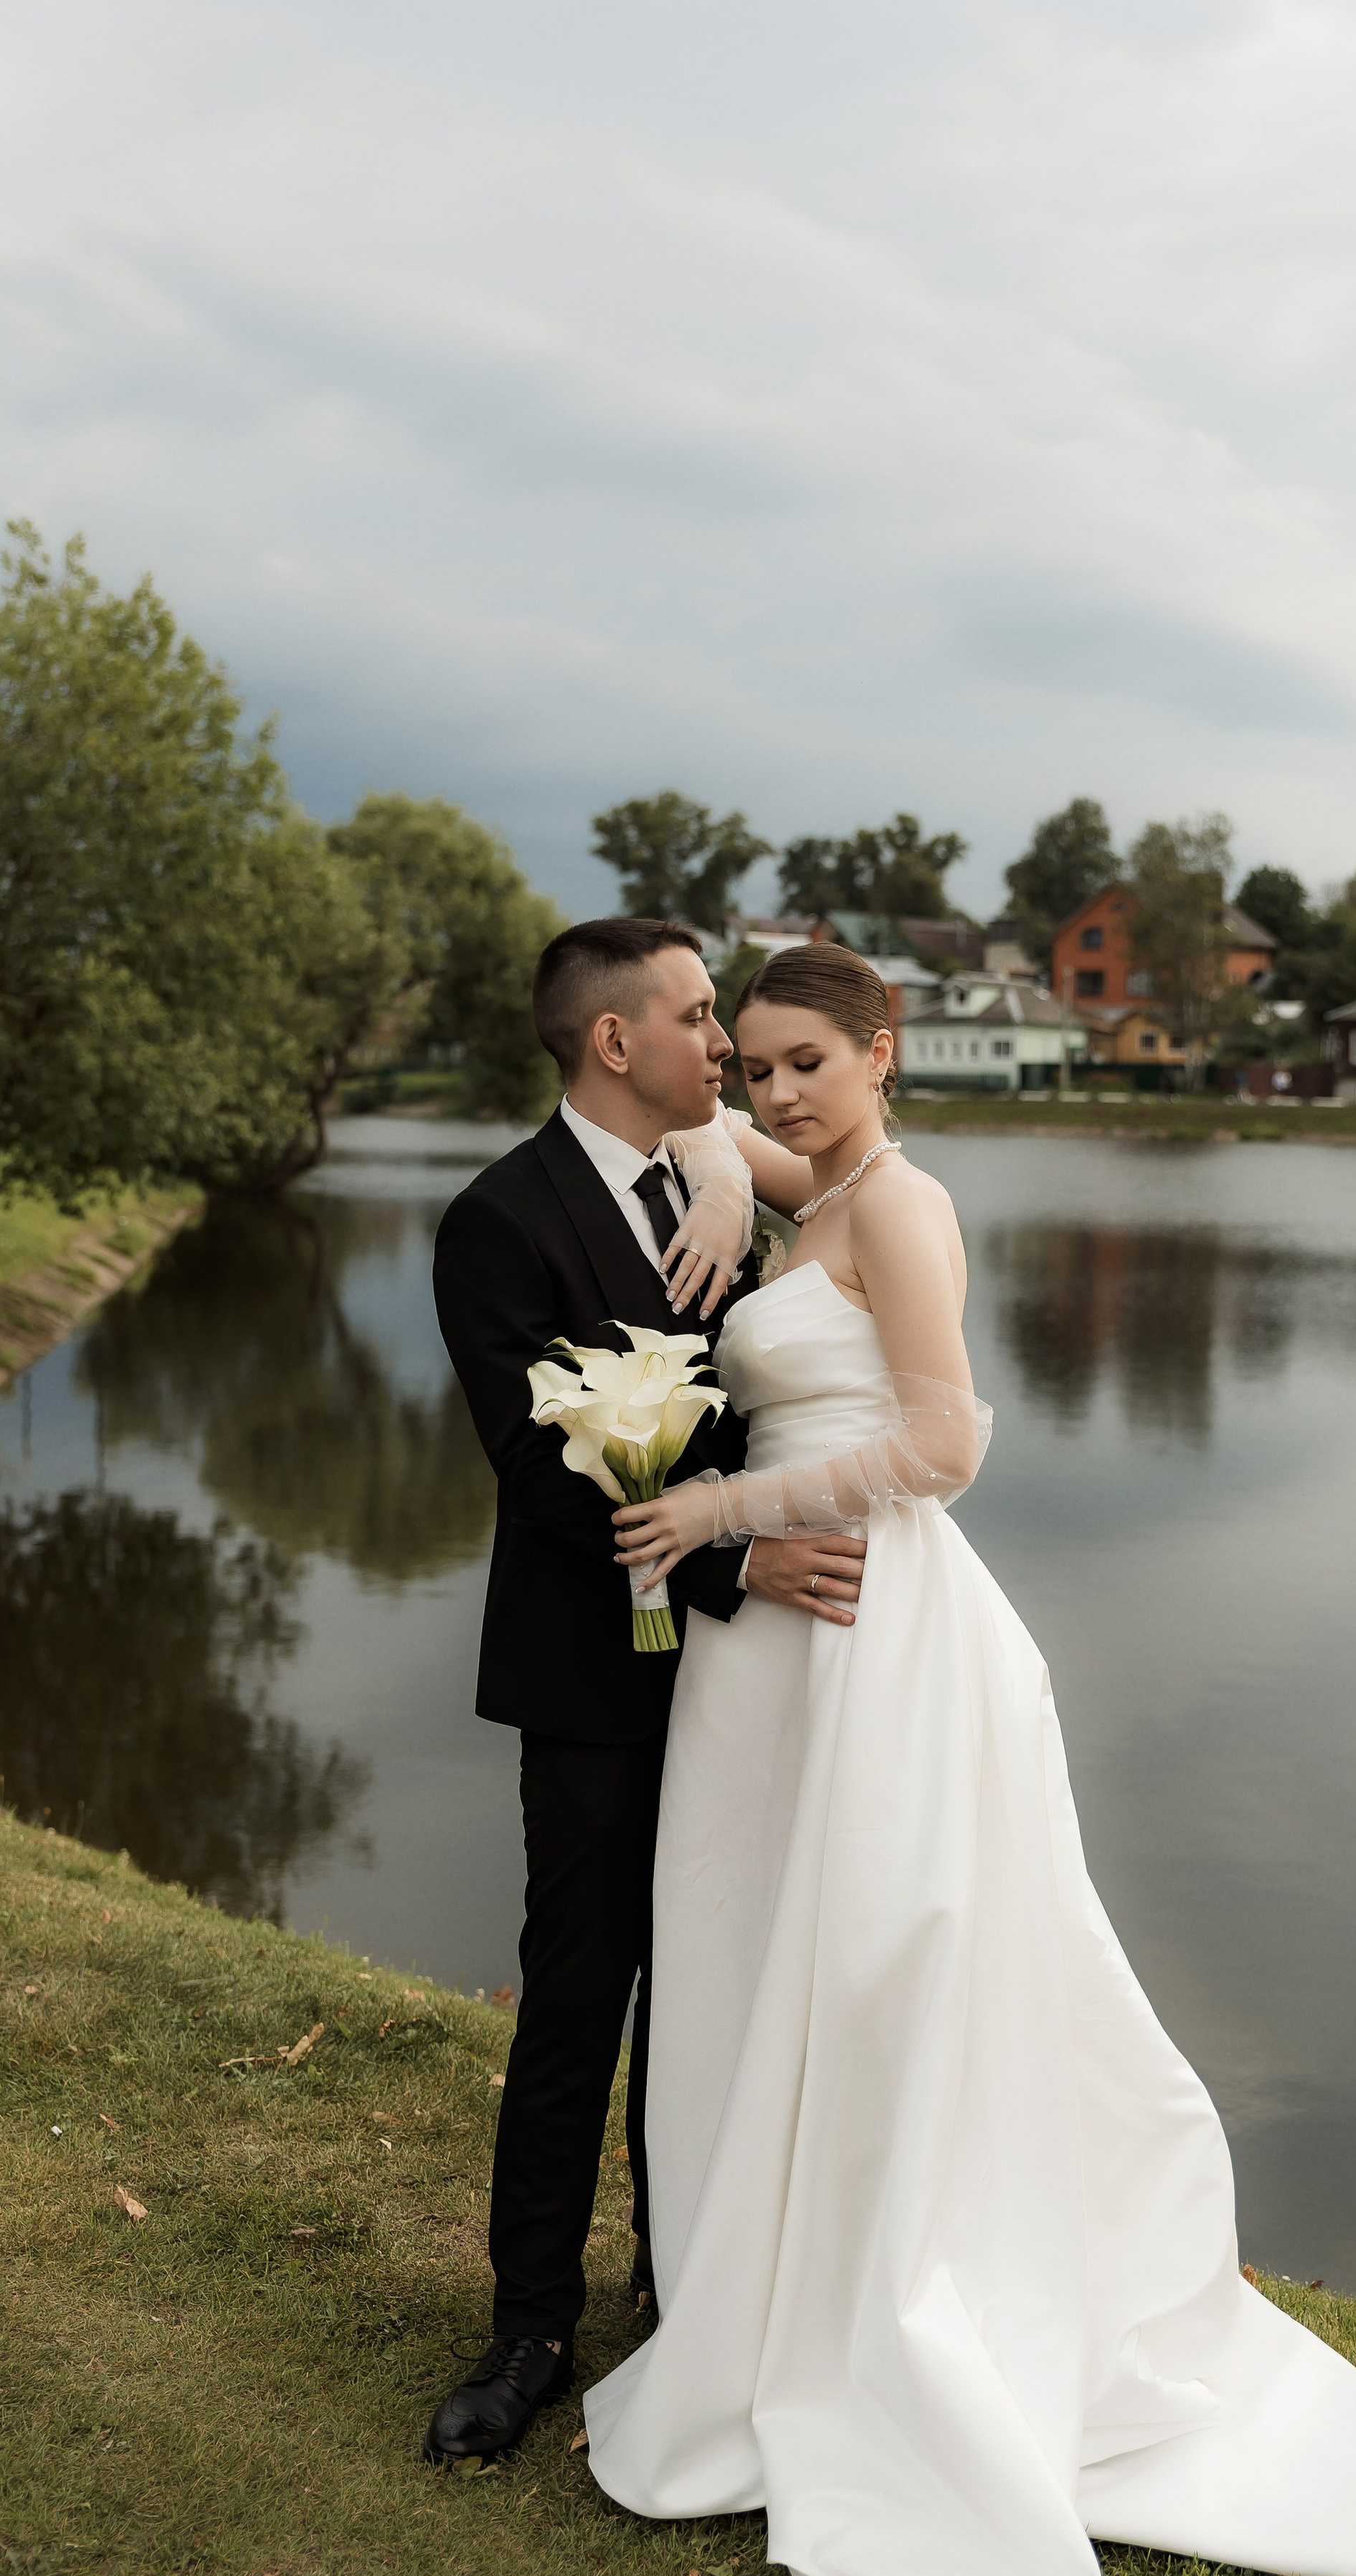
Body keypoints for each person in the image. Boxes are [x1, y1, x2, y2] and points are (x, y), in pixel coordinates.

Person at [584, 939, 1356, 2576]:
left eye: (812, 1061)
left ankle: (889, 2315)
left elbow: (948, 1442)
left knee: (890, 1978)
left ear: (885, 1053)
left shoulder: (902, 1210)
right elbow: (750, 1159)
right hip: (777, 1672)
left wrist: (722, 1501)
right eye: (763, 1062)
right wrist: (726, 1161)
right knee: (757, 1956)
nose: (780, 1088)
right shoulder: (813, 1186)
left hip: (884, 1641)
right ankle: (765, 2302)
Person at [425, 920, 866, 2468]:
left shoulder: (716, 1184)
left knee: (727, 1982)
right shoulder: (495, 1223)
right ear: (615, 1044)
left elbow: (868, 1162)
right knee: (579, 1992)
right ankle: (530, 2325)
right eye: (696, 1021)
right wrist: (731, 1571)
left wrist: (736, 1163)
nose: (724, 1052)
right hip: (598, 1675)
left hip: (746, 1686)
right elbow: (545, 1475)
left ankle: (692, 2278)